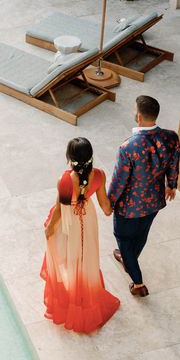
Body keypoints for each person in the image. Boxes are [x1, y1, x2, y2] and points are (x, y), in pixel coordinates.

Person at [41, 137, 120, 333]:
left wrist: (49, 229)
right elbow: (105, 207)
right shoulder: (100, 175)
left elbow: (60, 210)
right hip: (88, 220)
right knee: (86, 257)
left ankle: (73, 294)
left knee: (68, 254)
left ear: (70, 157)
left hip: (71, 222)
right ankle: (84, 292)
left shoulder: (66, 179)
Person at [109, 95, 180, 297]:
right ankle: (127, 258)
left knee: (123, 237)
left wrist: (109, 202)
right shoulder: (171, 137)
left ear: (139, 117)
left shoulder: (128, 147)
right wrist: (171, 185)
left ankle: (138, 283)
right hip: (155, 201)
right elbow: (174, 162)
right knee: (141, 234)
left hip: (129, 207)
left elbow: (119, 181)